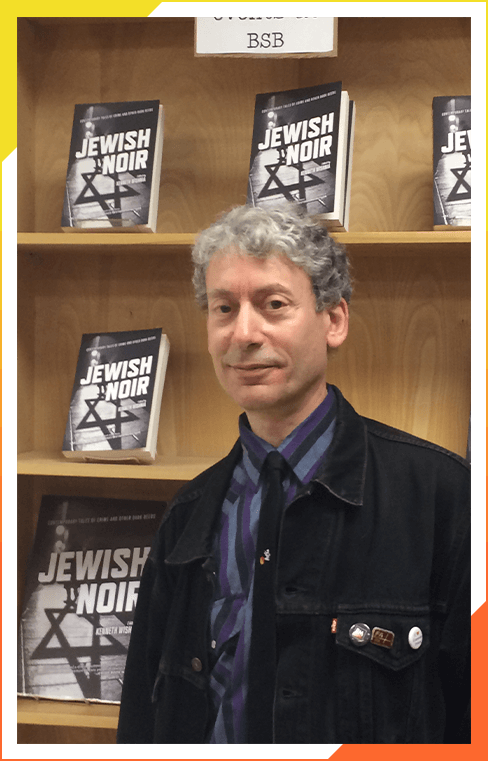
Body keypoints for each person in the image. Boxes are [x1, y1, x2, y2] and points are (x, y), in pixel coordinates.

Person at [117, 204, 470, 744]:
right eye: (223, 308)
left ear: (334, 320)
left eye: (273, 304)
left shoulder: (446, 498)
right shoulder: (190, 513)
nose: (243, 333)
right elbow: (144, 715)